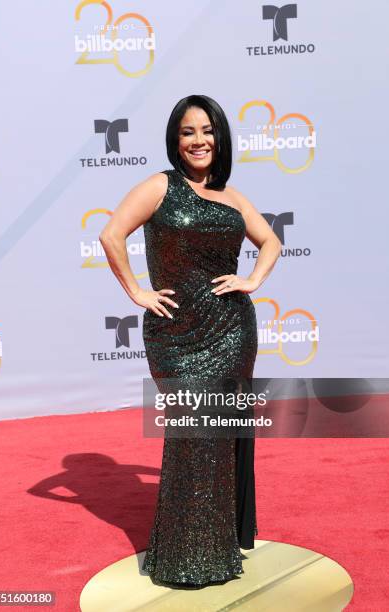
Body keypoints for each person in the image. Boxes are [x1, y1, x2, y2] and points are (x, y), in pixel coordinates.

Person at [99, 94, 282, 588]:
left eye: (207, 131)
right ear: (175, 141)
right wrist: (137, 290)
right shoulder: (160, 186)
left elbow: (271, 241)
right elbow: (111, 235)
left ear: (220, 138)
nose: (199, 140)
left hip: (231, 330)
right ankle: (188, 554)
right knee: (192, 434)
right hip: (176, 334)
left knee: (219, 435)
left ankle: (218, 544)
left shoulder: (233, 197)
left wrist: (253, 281)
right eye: (188, 132)